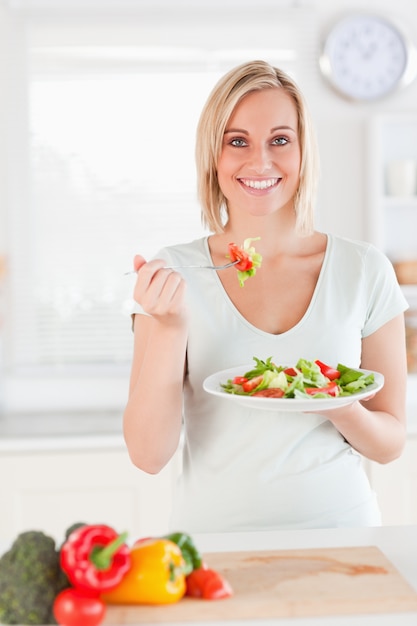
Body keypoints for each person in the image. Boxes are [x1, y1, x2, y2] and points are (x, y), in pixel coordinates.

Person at [123, 60, 409, 532]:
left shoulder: (363, 269)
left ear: (303, 152)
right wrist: (171, 328)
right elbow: (148, 456)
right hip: (213, 544)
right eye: (238, 141)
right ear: (213, 156)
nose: (260, 162)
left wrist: (338, 404)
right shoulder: (176, 272)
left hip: (344, 537)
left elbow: (390, 442)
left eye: (280, 140)